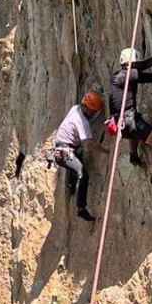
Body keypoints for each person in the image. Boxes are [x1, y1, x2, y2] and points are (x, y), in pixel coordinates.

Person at [108, 47, 152, 186]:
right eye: (136, 63)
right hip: (128, 121)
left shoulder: (119, 76)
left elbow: (150, 74)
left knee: (135, 130)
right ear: (130, 64)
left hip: (120, 123)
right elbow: (148, 69)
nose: (139, 65)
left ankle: (133, 155)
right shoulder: (126, 75)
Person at [51, 91, 106, 222]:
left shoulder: (75, 108)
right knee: (82, 173)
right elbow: (90, 144)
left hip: (64, 149)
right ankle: (81, 208)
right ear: (88, 109)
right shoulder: (82, 123)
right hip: (64, 152)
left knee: (77, 159)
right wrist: (106, 151)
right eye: (93, 111)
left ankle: (71, 184)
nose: (94, 114)